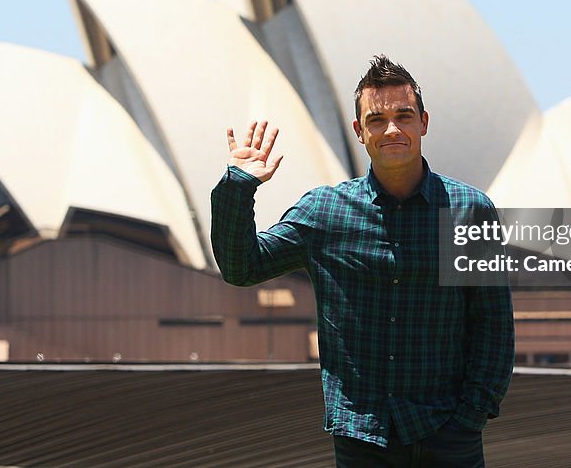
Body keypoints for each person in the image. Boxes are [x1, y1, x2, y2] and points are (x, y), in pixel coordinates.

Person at [211, 55, 514, 467]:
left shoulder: (468, 209)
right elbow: (242, 268)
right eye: (376, 120)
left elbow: (493, 326)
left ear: (424, 123)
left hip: (448, 435)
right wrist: (237, 187)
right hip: (362, 438)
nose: (392, 130)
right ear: (359, 131)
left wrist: (470, 417)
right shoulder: (326, 212)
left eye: (404, 116)